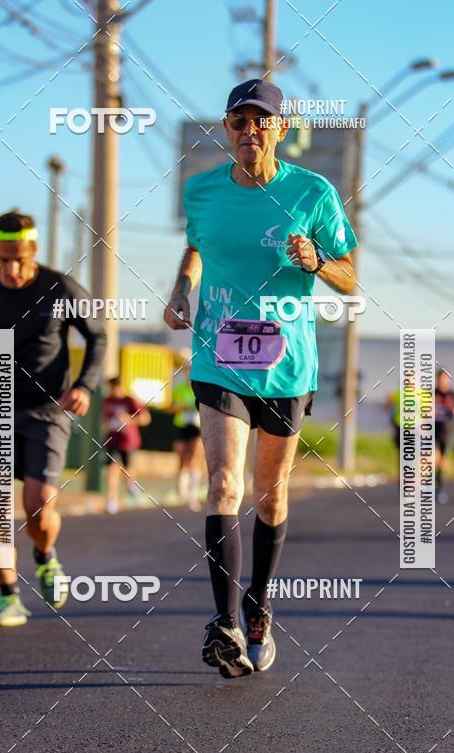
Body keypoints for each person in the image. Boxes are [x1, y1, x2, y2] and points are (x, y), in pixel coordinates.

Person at [164, 78, 357, 678]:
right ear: (227, 130)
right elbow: (198, 247)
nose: (250, 132)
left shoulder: (313, 192)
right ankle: (223, 622)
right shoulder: (202, 193)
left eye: (261, 122)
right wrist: (182, 288)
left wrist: (319, 262)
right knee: (223, 484)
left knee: (271, 494)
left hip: (286, 364)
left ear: (281, 128)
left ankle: (257, 606)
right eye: (238, 123)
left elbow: (352, 277)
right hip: (218, 356)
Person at [0, 210, 106, 626]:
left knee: (38, 508)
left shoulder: (58, 286)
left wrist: (84, 384)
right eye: (4, 258)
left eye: (20, 258)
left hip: (48, 408)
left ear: (32, 250)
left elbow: (97, 334)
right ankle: (8, 596)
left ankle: (46, 556)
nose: (12, 269)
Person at [102, 376, 150, 513]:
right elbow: (103, 419)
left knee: (128, 471)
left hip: (128, 442)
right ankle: (111, 500)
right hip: (112, 440)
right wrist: (107, 423)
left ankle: (131, 487)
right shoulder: (106, 401)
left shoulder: (130, 401)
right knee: (112, 470)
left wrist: (128, 420)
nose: (113, 390)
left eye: (115, 387)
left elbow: (146, 418)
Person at [170, 350, 204, 511]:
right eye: (186, 370)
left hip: (197, 426)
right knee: (182, 458)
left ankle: (193, 494)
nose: (187, 373)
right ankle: (182, 493)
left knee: (194, 457)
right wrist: (181, 407)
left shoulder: (200, 387)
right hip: (182, 424)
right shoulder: (179, 388)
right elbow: (171, 407)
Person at [434, 369, 454, 504]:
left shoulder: (452, 394)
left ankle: (439, 487)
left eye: (446, 378)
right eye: (442, 378)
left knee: (441, 462)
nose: (444, 381)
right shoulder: (432, 393)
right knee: (434, 456)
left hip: (446, 431)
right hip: (432, 431)